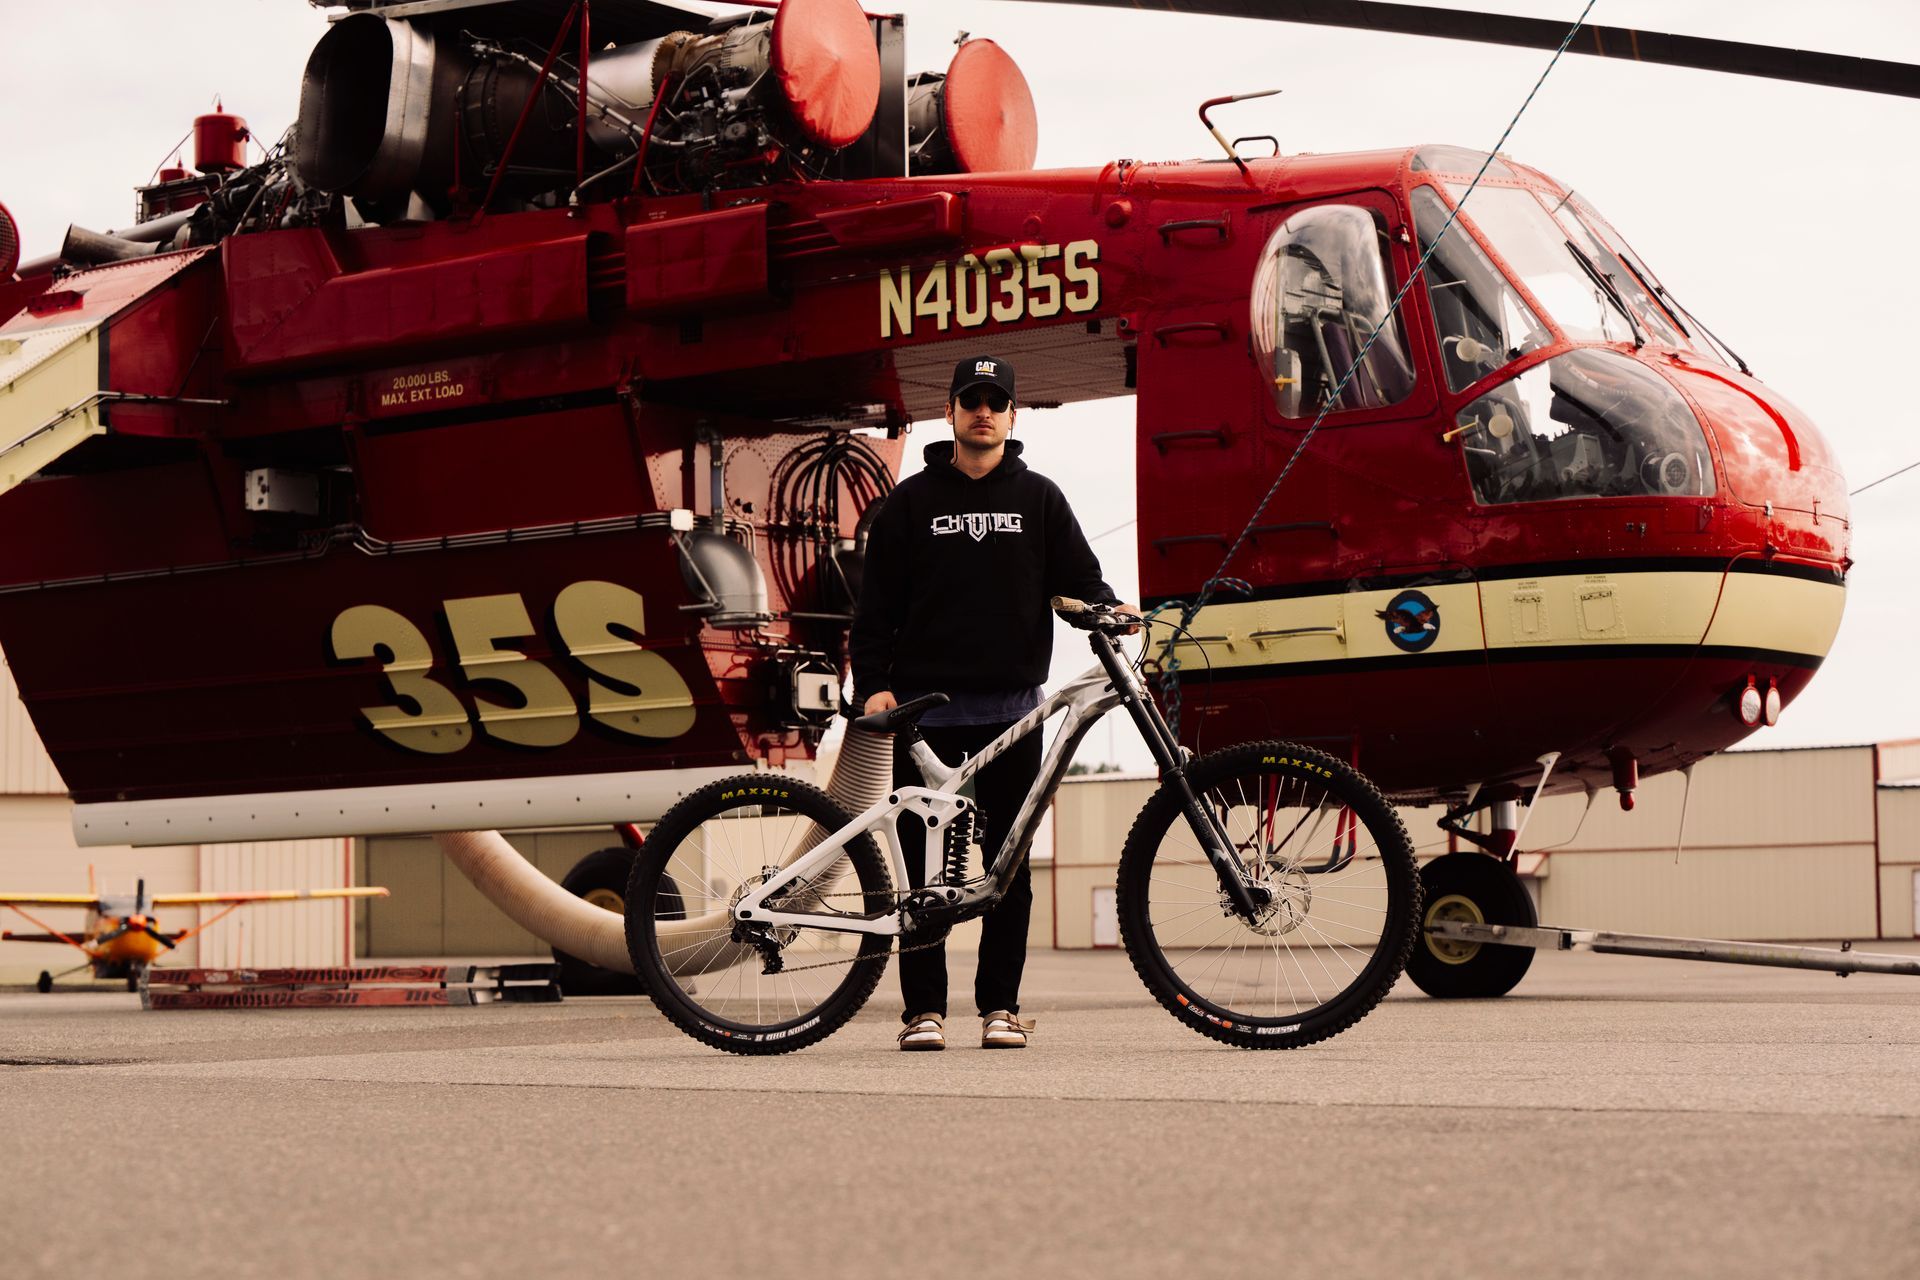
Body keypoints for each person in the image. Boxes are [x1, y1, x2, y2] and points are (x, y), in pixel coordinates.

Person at [850, 355, 1136, 1051]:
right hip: (924, 714)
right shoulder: (907, 506)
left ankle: (999, 1009)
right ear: (948, 413)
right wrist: (873, 684)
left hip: (1014, 711)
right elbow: (874, 613)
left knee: (1008, 867)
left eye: (995, 401)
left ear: (1011, 415)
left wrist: (1110, 608)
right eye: (970, 399)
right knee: (924, 870)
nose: (983, 411)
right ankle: (923, 1012)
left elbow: (1079, 583)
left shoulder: (1039, 498)